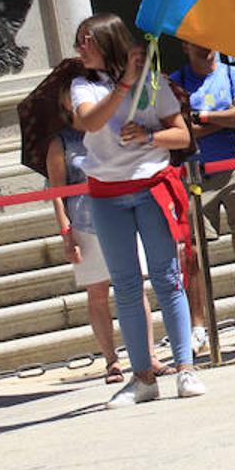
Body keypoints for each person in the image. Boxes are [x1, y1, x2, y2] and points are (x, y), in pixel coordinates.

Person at [69, 12, 204, 407]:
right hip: (106, 194)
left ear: (108, 40)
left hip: (152, 187)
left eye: (86, 39)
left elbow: (180, 134)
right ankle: (142, 377)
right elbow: (91, 123)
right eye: (79, 40)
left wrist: (149, 134)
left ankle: (185, 369)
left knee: (167, 278)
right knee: (126, 286)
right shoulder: (83, 85)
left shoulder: (153, 81)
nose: (80, 47)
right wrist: (124, 84)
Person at [48, 90, 162, 385]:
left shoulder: (110, 129)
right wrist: (66, 234)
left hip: (120, 212)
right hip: (85, 223)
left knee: (135, 289)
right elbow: (57, 194)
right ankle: (112, 361)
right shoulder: (60, 143)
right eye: (69, 95)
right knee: (97, 293)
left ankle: (148, 355)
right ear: (64, 103)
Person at [171, 41, 235, 350]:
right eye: (195, 40)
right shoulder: (176, 81)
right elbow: (181, 130)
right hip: (195, 171)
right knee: (194, 252)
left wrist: (203, 118)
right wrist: (223, 116)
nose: (204, 45)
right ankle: (199, 327)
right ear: (184, 45)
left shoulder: (233, 74)